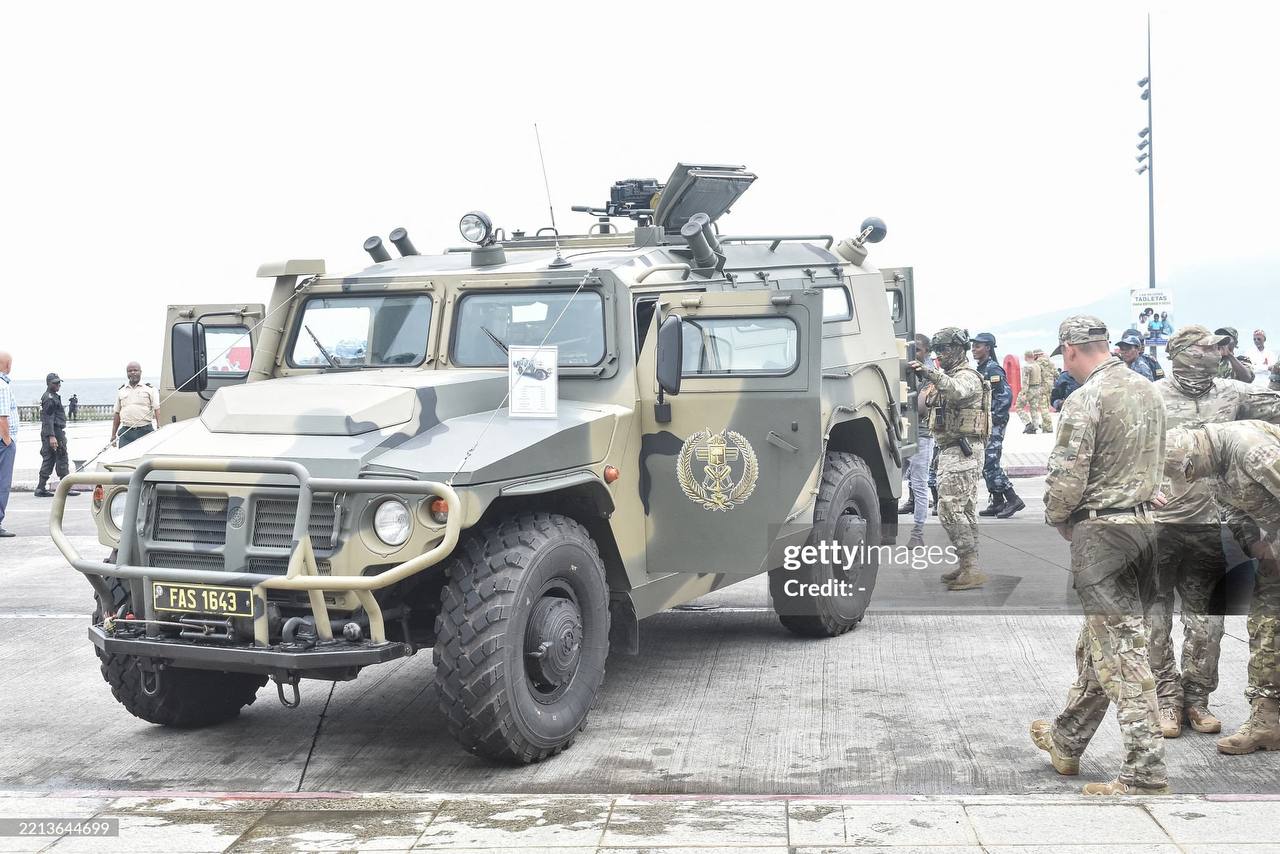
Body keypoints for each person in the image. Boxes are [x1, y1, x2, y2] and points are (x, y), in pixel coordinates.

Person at [1030, 315, 1169, 796]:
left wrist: (1059, 516)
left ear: (1070, 350)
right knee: (1101, 644)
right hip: (1144, 529)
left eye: (1064, 357)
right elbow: (1161, 455)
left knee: (1122, 654)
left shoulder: (1085, 398)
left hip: (1103, 533)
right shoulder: (1149, 389)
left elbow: (1067, 474)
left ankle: (1145, 771)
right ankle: (1066, 740)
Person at [1147, 326, 1280, 739]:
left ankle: (1196, 699)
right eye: (1204, 347)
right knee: (1154, 620)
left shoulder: (1233, 393)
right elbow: (1120, 448)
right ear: (1179, 353)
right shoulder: (1150, 397)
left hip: (1211, 523)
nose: (1214, 353)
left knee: (1208, 623)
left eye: (1216, 348)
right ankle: (1166, 699)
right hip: (1158, 526)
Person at [1165, 421, 1280, 755]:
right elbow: (1231, 508)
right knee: (1265, 626)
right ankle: (1267, 721)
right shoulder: (1209, 464)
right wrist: (1256, 545)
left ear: (1196, 452)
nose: (1191, 479)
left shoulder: (1254, 451)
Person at [909, 327, 991, 591]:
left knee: (948, 508)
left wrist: (930, 373)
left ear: (958, 349)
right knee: (964, 510)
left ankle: (971, 567)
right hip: (950, 449)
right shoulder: (945, 377)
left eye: (944, 349)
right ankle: (969, 565)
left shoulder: (967, 377)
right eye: (937, 351)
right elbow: (924, 407)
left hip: (963, 450)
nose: (940, 355)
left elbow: (957, 391)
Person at [972, 333, 1024, 519]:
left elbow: (1004, 397)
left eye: (978, 346)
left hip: (993, 423)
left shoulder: (993, 369)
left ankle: (1012, 498)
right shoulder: (982, 368)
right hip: (984, 423)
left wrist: (993, 420)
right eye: (973, 346)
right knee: (985, 461)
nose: (974, 349)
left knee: (989, 461)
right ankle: (997, 501)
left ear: (988, 348)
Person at [899, 334, 935, 549]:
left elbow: (921, 408)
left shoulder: (929, 373)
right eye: (911, 349)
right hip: (904, 432)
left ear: (927, 351)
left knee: (919, 485)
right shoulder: (907, 369)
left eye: (918, 350)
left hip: (921, 435)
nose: (913, 354)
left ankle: (918, 533)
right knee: (894, 482)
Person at [35, 373, 81, 498]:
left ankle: (41, 487)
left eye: (59, 382)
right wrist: (52, 436)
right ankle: (64, 488)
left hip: (51, 431)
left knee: (49, 458)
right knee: (61, 457)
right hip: (54, 431)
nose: (58, 385)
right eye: (55, 383)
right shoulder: (50, 398)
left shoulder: (51, 396)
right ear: (48, 383)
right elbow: (48, 418)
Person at [112, 362, 160, 448]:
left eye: (135, 370)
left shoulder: (150, 389)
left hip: (145, 431)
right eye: (130, 371)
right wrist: (113, 435)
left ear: (140, 372)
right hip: (126, 433)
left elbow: (157, 409)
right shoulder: (121, 390)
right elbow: (117, 413)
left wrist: (159, 427)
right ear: (127, 373)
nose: (133, 372)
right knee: (124, 455)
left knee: (144, 455)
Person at [0, 351, 16, 538]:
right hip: (2, 442)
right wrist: (7, 441)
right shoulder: (3, 386)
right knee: (3, 483)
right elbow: (2, 417)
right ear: (7, 365)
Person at [1018, 349, 1044, 434]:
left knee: (1019, 407)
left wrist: (1023, 393)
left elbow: (1025, 381)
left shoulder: (1027, 367)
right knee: (1034, 409)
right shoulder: (1037, 366)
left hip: (1029, 389)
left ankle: (1028, 424)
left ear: (1026, 357)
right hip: (1037, 389)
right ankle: (1035, 426)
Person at [1035, 350, 1058, 432]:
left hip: (1042, 386)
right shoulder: (1050, 362)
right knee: (1046, 406)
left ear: (1037, 355)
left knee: (1043, 407)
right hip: (1050, 386)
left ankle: (1048, 427)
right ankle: (1045, 425)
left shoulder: (1037, 363)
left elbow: (1035, 376)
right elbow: (1057, 374)